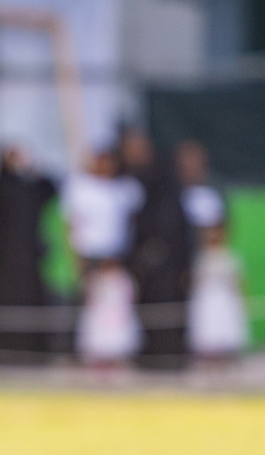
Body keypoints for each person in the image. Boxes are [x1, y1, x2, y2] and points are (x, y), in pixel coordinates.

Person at [63, 149, 143, 370]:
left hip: (116, 257)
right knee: (88, 306)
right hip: (90, 256)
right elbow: (72, 224)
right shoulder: (81, 188)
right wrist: (76, 258)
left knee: (116, 305)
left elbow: (131, 218)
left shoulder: (123, 189)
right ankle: (84, 353)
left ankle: (116, 351)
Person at [121, 129, 193, 369]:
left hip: (170, 265)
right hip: (146, 265)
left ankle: (171, 357)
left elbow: (178, 230)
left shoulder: (165, 184)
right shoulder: (135, 182)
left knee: (170, 312)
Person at [0, 144, 59, 360]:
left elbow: (52, 188)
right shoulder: (1, 187)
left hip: (30, 262)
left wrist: (32, 166)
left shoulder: (32, 187)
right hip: (5, 265)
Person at [187, 221, 250, 368]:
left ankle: (225, 357)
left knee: (224, 325)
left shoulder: (230, 256)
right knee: (208, 325)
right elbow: (196, 279)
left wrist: (242, 298)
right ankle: (210, 357)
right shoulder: (202, 257)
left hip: (224, 298)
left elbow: (238, 279)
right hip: (207, 298)